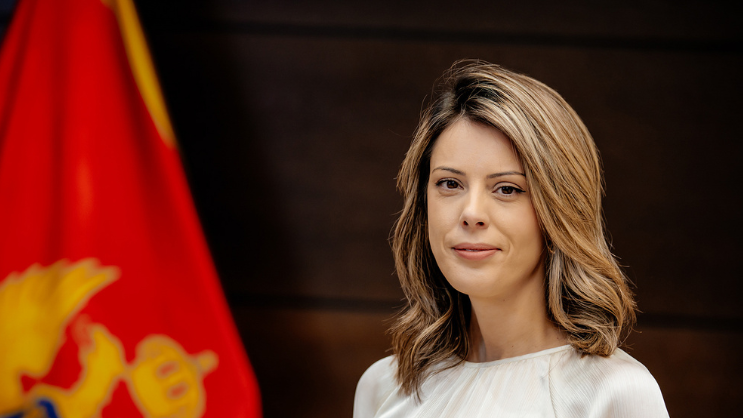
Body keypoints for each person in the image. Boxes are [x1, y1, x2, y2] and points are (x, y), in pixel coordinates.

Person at [353, 61, 669, 418]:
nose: (472, 213)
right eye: (450, 183)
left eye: (507, 188)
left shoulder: (614, 394)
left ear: (559, 209)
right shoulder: (383, 387)